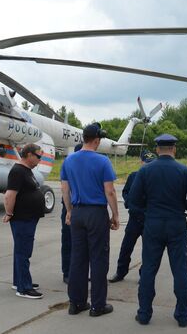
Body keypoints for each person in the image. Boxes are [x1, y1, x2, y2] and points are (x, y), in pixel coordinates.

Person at [129, 134, 187, 327]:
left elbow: (134, 200)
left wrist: (149, 211)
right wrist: (182, 205)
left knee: (148, 269)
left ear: (157, 149)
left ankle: (144, 313)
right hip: (176, 223)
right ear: (174, 149)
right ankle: (182, 316)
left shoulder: (145, 171)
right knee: (179, 270)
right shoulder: (185, 171)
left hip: (153, 223)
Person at [61, 123, 120, 317]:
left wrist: (69, 211)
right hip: (95, 213)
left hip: (77, 213)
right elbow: (109, 191)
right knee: (98, 258)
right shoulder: (102, 161)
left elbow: (64, 190)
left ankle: (76, 303)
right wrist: (115, 215)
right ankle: (97, 305)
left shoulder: (68, 161)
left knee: (78, 258)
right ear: (96, 140)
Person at [3, 143, 46, 299]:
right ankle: (24, 288)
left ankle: (19, 281)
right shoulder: (17, 171)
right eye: (38, 156)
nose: (40, 159)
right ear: (29, 155)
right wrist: (9, 212)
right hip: (22, 218)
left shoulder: (26, 171)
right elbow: (9, 195)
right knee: (23, 252)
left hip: (29, 217)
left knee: (20, 250)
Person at [109, 150, 157, 283]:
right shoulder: (134, 176)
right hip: (134, 218)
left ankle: (144, 274)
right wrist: (129, 203)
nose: (147, 166)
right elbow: (125, 192)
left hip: (149, 219)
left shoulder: (157, 177)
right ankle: (120, 272)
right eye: (146, 163)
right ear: (141, 162)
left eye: (150, 163)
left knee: (149, 250)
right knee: (126, 247)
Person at [61, 143, 83, 284]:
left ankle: (79, 271)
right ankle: (67, 272)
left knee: (82, 244)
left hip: (83, 208)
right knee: (69, 241)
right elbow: (65, 190)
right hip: (71, 207)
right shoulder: (69, 166)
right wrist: (69, 210)